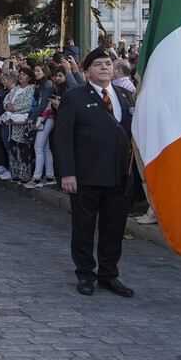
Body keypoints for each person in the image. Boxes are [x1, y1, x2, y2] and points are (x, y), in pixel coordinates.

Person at [53, 47, 135, 298]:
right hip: (86, 175)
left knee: (114, 228)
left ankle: (109, 275)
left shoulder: (124, 95)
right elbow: (63, 139)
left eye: (108, 63)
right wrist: (67, 173)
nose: (104, 68)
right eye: (98, 64)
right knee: (84, 228)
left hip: (119, 176)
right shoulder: (75, 97)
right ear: (87, 71)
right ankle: (85, 274)